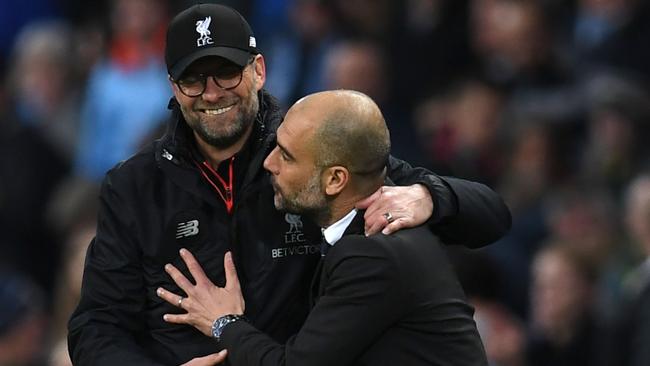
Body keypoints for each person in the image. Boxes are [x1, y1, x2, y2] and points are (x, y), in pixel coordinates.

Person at [68, 4, 510, 365]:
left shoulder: (311, 149)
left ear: (258, 69)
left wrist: (430, 195)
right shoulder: (133, 186)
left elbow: (491, 217)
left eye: (226, 72)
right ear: (173, 86)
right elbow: (96, 326)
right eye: (192, 78)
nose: (212, 92)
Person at [157, 90, 488, 365]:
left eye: (286, 156)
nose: (269, 163)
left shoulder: (371, 254)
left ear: (335, 180)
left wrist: (223, 321)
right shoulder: (365, 216)